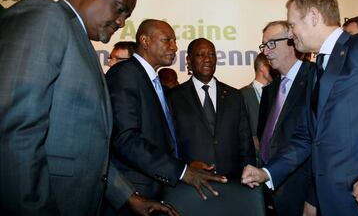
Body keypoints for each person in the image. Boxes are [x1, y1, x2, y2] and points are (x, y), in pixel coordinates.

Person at [0, 0, 177, 216]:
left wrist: (129, 197)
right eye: (120, 9)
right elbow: (15, 131)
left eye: (126, 16)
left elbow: (89, 149)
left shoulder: (81, 42)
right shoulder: (47, 16)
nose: (121, 21)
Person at [242, 0, 358, 216]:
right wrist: (268, 173)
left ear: (313, 17)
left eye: (292, 25)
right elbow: (308, 139)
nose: (291, 35)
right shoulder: (316, 71)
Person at [105, 20, 228, 214]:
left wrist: (183, 163)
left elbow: (158, 137)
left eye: (175, 41)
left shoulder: (153, 82)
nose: (174, 46)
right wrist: (181, 171)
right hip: (133, 195)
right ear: (145, 41)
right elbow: (126, 139)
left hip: (155, 191)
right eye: (167, 40)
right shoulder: (125, 74)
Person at [168, 38, 256, 179]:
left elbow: (245, 141)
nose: (207, 59)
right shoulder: (173, 97)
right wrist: (185, 167)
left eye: (211, 54)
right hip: (191, 183)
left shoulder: (235, 96)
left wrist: (249, 176)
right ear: (189, 60)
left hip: (232, 182)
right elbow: (169, 144)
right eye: (200, 55)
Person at [256, 21, 315, 216]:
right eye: (263, 45)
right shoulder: (270, 90)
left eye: (271, 44)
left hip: (303, 195)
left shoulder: (315, 79)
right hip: (270, 193)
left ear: (291, 42)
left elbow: (320, 144)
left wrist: (313, 198)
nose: (265, 51)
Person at [240, 52, 273, 152]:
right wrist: (251, 138)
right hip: (253, 158)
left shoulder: (279, 92)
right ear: (263, 67)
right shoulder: (241, 95)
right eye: (272, 64)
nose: (277, 69)